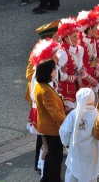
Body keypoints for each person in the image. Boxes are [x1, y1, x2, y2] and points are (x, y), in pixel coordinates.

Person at [24, 19, 60, 173]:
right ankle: (41, 167)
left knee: (45, 139)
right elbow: (29, 75)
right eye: (57, 36)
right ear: (49, 38)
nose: (59, 38)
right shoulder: (40, 54)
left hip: (46, 98)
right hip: (40, 100)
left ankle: (43, 166)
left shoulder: (52, 52)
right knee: (44, 139)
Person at [59, 88, 99, 182]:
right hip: (92, 152)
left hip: (76, 151)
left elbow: (64, 131)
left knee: (72, 174)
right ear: (93, 99)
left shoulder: (74, 114)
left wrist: (66, 143)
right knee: (90, 175)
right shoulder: (97, 115)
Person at [34, 59, 66, 182]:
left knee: (50, 156)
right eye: (53, 69)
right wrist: (68, 123)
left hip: (46, 127)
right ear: (48, 72)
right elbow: (54, 113)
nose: (55, 70)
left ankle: (46, 178)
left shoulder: (41, 86)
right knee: (56, 158)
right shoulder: (46, 90)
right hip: (53, 129)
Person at [56, 18, 85, 111]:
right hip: (65, 89)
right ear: (66, 38)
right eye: (74, 37)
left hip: (75, 87)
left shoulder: (78, 50)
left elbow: (79, 66)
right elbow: (57, 72)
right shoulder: (62, 53)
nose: (77, 39)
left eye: (77, 36)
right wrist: (69, 77)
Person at [76, 10, 99, 91]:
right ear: (89, 30)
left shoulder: (92, 40)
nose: (98, 30)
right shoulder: (80, 45)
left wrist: (96, 68)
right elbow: (78, 68)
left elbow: (94, 57)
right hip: (84, 80)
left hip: (91, 75)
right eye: (96, 28)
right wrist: (90, 79)